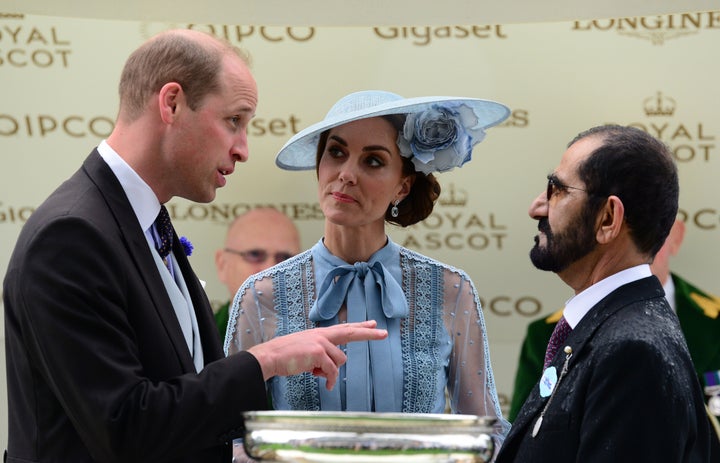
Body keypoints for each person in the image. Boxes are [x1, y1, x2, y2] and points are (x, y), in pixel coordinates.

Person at [2, 29, 387, 463]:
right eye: (234, 121)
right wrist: (264, 360)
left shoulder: (141, 223)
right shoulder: (71, 237)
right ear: (171, 103)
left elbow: (181, 399)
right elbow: (125, 429)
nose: (243, 149)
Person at [224, 90, 511, 439]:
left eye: (372, 161)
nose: (346, 174)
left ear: (402, 186)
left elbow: (488, 432)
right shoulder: (260, 295)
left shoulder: (452, 290)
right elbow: (228, 437)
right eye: (336, 152)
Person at [496, 125, 712, 462]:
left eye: (557, 190)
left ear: (608, 218)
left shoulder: (632, 351)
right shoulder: (612, 331)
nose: (536, 207)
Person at [508, 218, 720, 424]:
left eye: (648, 232)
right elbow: (522, 439)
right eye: (620, 234)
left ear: (676, 236)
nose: (635, 247)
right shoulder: (549, 335)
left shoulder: (714, 322)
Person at [214, 207, 301, 337]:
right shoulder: (193, 342)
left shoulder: (330, 341)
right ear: (223, 265)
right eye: (255, 255)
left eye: (285, 259)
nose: (271, 269)